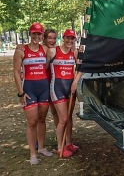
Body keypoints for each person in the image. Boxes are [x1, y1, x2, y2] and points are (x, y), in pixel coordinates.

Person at [13, 23, 53, 165]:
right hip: (29, 89)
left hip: (43, 88)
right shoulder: (21, 50)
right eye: (34, 34)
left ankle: (41, 148)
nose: (36, 36)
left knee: (42, 119)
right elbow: (16, 72)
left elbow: (62, 50)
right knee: (32, 122)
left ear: (42, 35)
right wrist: (20, 92)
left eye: (39, 34)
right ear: (30, 34)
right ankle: (33, 153)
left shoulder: (45, 49)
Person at [47, 29, 80, 157]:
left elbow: (81, 68)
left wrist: (75, 82)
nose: (69, 41)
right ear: (63, 37)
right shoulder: (53, 51)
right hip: (57, 88)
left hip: (71, 89)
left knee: (69, 118)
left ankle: (68, 143)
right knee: (63, 119)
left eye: (72, 39)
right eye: (67, 38)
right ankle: (60, 147)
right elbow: (43, 66)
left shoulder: (75, 52)